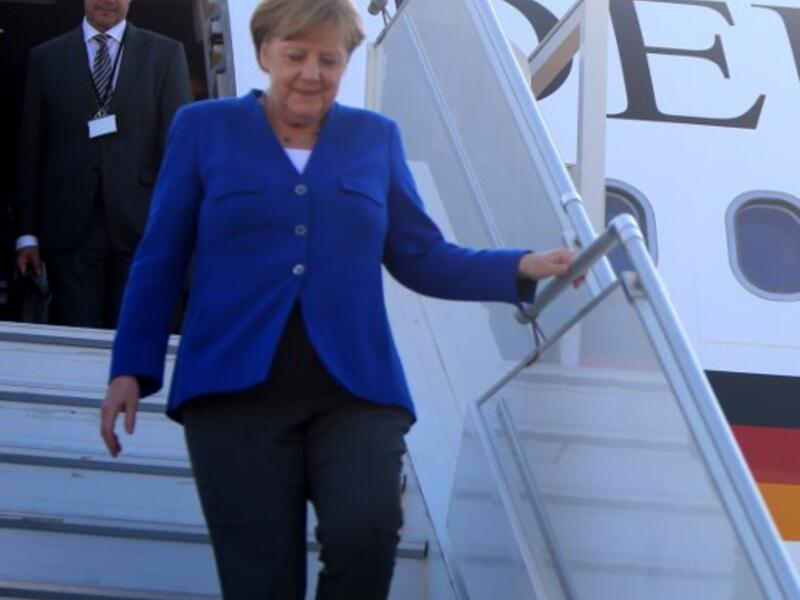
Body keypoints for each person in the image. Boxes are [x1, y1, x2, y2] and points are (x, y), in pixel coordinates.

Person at [100, 0, 580, 598]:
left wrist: (522, 266)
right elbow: (160, 257)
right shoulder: (203, 128)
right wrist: (129, 369)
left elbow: (421, 256)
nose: (312, 72)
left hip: (354, 388)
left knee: (367, 534)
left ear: (347, 61)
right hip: (232, 393)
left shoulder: (374, 139)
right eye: (296, 55)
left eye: (330, 59)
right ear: (264, 53)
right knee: (260, 582)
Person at [13, 0, 192, 328]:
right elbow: (30, 149)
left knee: (132, 339)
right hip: (69, 229)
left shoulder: (165, 54)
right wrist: (27, 234)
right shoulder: (46, 57)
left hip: (142, 228)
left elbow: (178, 152)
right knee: (77, 345)